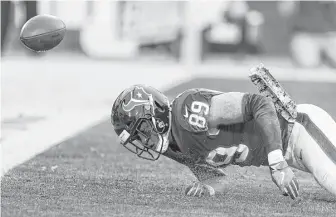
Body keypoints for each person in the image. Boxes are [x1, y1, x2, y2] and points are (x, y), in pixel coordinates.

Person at [110, 65, 336, 200]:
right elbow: (217, 178)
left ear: (155, 114)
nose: (144, 141)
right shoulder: (171, 144)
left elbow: (260, 104)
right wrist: (207, 186)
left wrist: (277, 162)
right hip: (290, 154)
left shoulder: (186, 110)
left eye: (142, 131)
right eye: (138, 139)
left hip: (298, 130)